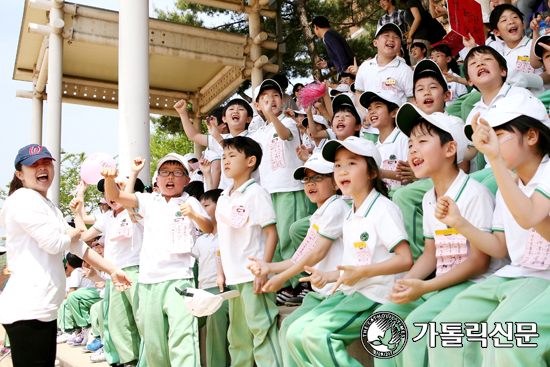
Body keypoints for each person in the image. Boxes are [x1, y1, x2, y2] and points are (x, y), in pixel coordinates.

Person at [374, 103, 503, 367]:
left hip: (474, 283)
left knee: (412, 327)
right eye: (410, 144)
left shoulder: (474, 193)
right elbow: (432, 253)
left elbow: (480, 262)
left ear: (450, 149)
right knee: (384, 319)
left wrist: (426, 286)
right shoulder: (427, 198)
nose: (413, 150)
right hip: (443, 282)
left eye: (422, 141)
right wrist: (407, 283)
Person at [429, 94, 550, 367]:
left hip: (543, 278)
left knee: (504, 334)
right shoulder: (510, 180)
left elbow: (530, 215)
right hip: (514, 273)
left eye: (499, 135)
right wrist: (459, 223)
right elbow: (499, 247)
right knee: (445, 328)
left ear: (531, 136)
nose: (488, 144)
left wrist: (495, 161)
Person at [284, 137, 413, 366]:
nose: (343, 170)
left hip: (376, 294)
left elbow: (405, 260)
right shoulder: (350, 212)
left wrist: (362, 274)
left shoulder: (383, 209)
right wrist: (328, 276)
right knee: (294, 334)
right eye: (337, 165)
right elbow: (351, 268)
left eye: (351, 163)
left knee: (316, 335)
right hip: (351, 292)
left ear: (372, 173)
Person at [0, 144, 131, 367]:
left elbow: (78, 247)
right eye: (34, 165)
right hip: (29, 307)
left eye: (46, 162)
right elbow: (55, 243)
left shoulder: (48, 205)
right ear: (20, 174)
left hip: (45, 307)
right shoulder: (23, 199)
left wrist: (113, 270)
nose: (42, 167)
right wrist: (72, 232)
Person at [101, 152, 213, 367]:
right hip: (149, 282)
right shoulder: (148, 200)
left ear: (187, 180)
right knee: (154, 344)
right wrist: (108, 179)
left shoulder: (190, 202)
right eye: (165, 172)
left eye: (177, 172)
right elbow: (116, 196)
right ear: (157, 179)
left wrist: (194, 215)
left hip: (181, 279)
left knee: (183, 340)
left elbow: (208, 227)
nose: (170, 177)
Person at [247, 152, 349, 367]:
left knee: (304, 334)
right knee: (288, 329)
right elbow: (299, 258)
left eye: (318, 177)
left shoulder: (337, 207)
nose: (310, 183)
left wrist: (281, 277)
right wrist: (268, 266)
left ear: (336, 183)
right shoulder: (319, 215)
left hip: (338, 292)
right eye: (307, 179)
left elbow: (318, 253)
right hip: (321, 294)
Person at [214, 136, 282, 366]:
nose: (226, 161)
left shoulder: (256, 193)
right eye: (224, 157)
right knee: (238, 337)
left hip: (254, 276)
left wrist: (263, 270)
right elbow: (222, 240)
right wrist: (222, 272)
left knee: (262, 331)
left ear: (251, 161)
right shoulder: (223, 196)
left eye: (232, 155)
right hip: (234, 277)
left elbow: (272, 234)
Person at [73, 161, 147, 366]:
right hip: (114, 273)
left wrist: (132, 174)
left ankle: (146, 360)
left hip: (137, 270)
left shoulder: (136, 211)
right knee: (118, 320)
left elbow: (130, 199)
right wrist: (78, 207)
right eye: (107, 192)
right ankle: (127, 360)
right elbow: (83, 237)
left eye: (115, 189)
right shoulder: (106, 217)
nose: (110, 196)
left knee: (141, 319)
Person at [250, 79, 311, 294]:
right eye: (265, 98)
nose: (271, 100)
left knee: (288, 237)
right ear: (257, 105)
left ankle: (300, 283)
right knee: (273, 239)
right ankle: (281, 284)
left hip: (289, 188)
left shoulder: (288, 123)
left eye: (276, 96)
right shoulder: (258, 134)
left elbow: (285, 136)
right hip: (268, 191)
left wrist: (272, 116)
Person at [174, 98, 255, 190]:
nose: (235, 111)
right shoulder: (223, 138)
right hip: (226, 194)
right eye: (231, 109)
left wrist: (216, 135)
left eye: (241, 109)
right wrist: (183, 113)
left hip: (248, 191)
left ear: (249, 119)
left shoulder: (255, 137)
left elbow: (236, 150)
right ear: (224, 118)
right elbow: (193, 135)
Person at [191, 189, 230, 367]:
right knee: (185, 319)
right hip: (202, 293)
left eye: (206, 205)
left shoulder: (228, 234)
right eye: (200, 206)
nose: (202, 210)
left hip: (223, 292)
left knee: (215, 315)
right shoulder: (200, 240)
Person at [354, 23, 414, 113]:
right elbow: (359, 92)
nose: (391, 39)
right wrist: (363, 114)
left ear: (400, 47)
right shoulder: (364, 67)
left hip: (395, 126)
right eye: (386, 35)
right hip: (370, 125)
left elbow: (411, 100)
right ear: (375, 42)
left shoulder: (405, 71)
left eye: (396, 37)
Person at [490, 4, 548, 96]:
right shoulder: (498, 56)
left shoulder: (534, 44)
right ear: (497, 32)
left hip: (539, 98)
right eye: (504, 20)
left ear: (523, 24)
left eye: (515, 17)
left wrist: (532, 80)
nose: (511, 21)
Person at [359, 90, 412, 189]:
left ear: (394, 113)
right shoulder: (373, 147)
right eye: (369, 109)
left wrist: (381, 173)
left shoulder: (405, 139)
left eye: (378, 106)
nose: (372, 112)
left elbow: (412, 176)